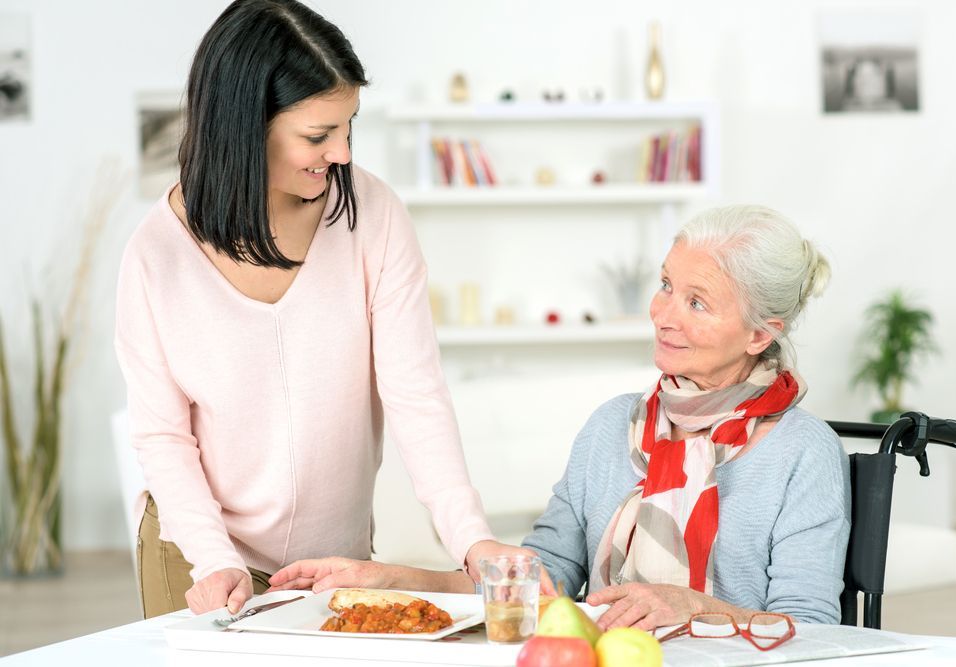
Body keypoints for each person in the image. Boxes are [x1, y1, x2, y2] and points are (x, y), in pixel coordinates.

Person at [114, 0, 535, 619]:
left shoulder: (373, 215)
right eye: (317, 134)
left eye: (348, 126)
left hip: (334, 561)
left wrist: (471, 541)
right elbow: (162, 434)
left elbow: (415, 393)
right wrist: (213, 558)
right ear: (245, 125)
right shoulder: (156, 256)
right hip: (200, 556)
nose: (340, 153)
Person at [269, 205, 851, 629]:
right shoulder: (611, 427)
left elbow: (813, 631)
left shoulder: (804, 452)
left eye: (696, 302)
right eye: (666, 286)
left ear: (760, 333)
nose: (663, 315)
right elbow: (538, 582)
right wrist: (392, 581)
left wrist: (693, 605)